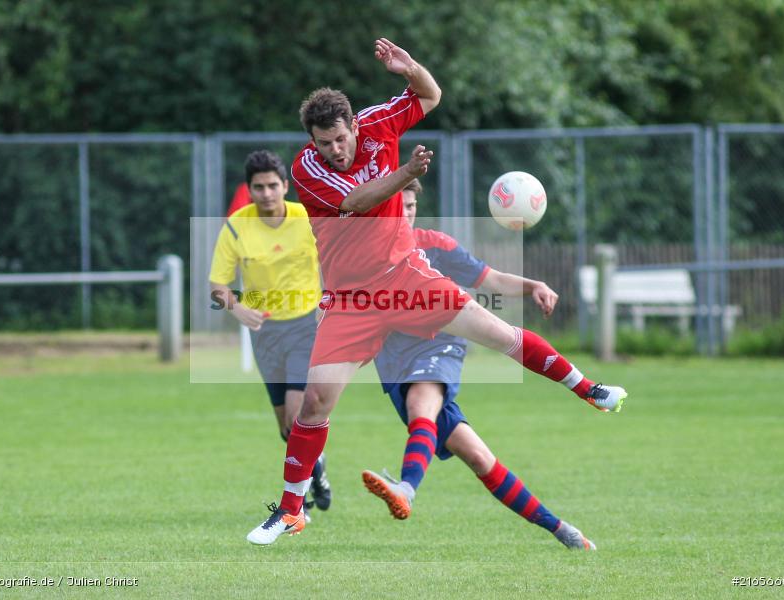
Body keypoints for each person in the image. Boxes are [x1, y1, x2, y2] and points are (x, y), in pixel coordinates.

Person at [246, 39, 626, 545]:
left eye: (339, 139)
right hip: (352, 298)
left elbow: (428, 96)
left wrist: (411, 69)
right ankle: (292, 511)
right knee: (315, 402)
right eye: (323, 143)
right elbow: (357, 202)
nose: (334, 150)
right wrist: (405, 173)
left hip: (405, 278)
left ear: (354, 124)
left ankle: (590, 390)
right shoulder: (306, 170)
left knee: (496, 332)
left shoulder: (381, 122)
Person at [363, 178, 596, 549]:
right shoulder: (366, 253)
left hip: (438, 345)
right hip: (393, 364)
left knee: (421, 402)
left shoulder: (435, 245)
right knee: (478, 457)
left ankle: (406, 489)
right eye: (397, 208)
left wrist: (532, 284)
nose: (405, 215)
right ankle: (562, 530)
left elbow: (492, 279)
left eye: (410, 207)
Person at [209, 150, 332, 516]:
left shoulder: (305, 218)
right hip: (264, 331)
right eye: (258, 187)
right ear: (249, 190)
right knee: (284, 426)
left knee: (298, 415)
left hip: (305, 325)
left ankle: (300, 504)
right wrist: (238, 307)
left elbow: (334, 257)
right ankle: (319, 469)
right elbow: (217, 283)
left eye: (272, 186)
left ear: (285, 186)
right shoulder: (236, 225)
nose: (266, 193)